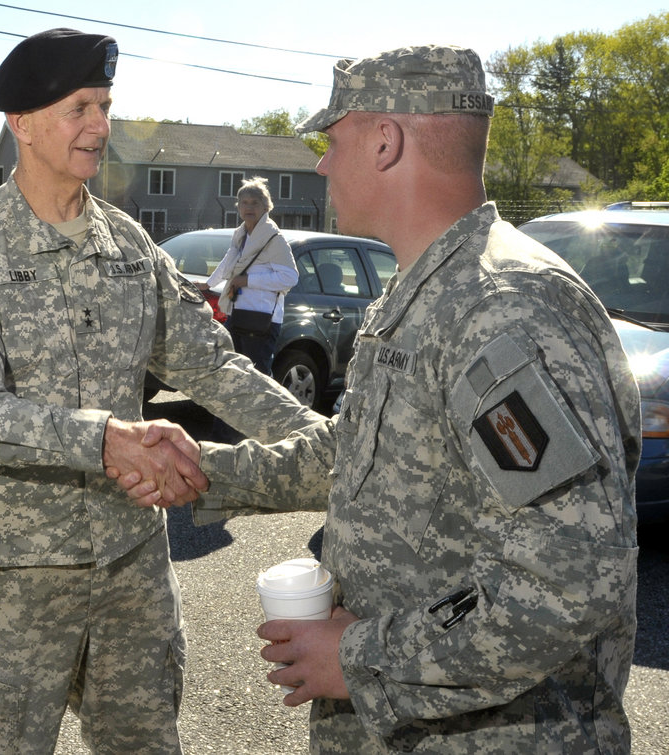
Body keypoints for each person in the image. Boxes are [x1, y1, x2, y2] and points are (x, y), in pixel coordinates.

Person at [123, 45, 642, 753]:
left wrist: (361, 654)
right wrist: (209, 468)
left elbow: (567, 583)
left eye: (333, 142)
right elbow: (355, 451)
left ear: (385, 141)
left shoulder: (503, 307)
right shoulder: (420, 289)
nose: (323, 164)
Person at [0, 28, 321, 754]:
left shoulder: (131, 246)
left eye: (104, 105)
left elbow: (214, 367)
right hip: (12, 581)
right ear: (23, 124)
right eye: (79, 108)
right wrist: (104, 438)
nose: (101, 125)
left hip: (131, 569)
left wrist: (321, 441)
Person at [197, 176, 298, 376]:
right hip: (237, 314)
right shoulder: (241, 234)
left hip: (262, 320)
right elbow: (229, 261)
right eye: (244, 202)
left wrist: (247, 281)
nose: (249, 207)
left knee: (256, 377)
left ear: (266, 207)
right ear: (238, 207)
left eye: (255, 203)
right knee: (231, 373)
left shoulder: (273, 238)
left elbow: (290, 277)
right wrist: (209, 284)